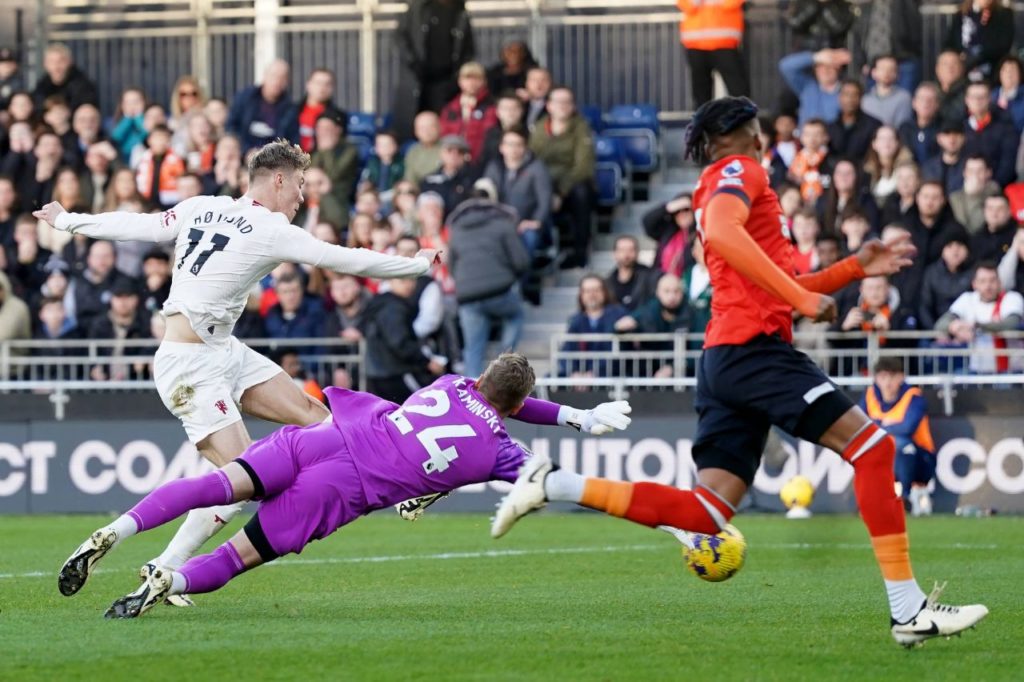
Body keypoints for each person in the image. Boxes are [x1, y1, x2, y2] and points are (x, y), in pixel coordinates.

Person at [493, 97, 987, 648]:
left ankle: (554, 482)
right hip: (754, 352)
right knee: (873, 449)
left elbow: (772, 277)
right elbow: (731, 241)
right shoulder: (738, 170)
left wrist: (851, 269)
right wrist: (799, 295)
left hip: (726, 358)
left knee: (706, 513)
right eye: (758, 127)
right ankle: (908, 610)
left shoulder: (738, 188)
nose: (764, 137)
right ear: (741, 132)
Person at [33, 139, 436, 602]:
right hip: (190, 366)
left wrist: (67, 220)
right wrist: (415, 266)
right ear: (278, 179)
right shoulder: (271, 228)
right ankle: (142, 555)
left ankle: (160, 569)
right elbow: (346, 258)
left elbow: (137, 225)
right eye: (300, 184)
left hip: (223, 349)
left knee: (316, 417)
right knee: (242, 478)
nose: (303, 197)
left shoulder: (201, 206)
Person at [57, 353, 633, 617]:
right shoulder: (502, 448)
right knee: (239, 555)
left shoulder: (454, 382)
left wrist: (573, 415)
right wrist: (578, 422)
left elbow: (505, 396)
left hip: (328, 436)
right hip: (346, 486)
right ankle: (171, 578)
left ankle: (117, 528)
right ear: (510, 408)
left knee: (215, 486)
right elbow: (538, 463)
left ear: (481, 378)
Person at [448, 181, 530, 377]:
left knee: (473, 350)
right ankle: (505, 361)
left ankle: (471, 395)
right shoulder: (503, 223)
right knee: (516, 314)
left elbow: (452, 266)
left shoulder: (457, 229)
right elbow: (521, 261)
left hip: (467, 296)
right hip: (500, 291)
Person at [529, 86, 596, 269]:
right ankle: (541, 251)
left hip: (571, 186)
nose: (563, 106)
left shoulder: (582, 127)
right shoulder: (539, 129)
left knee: (582, 192)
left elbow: (583, 167)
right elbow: (532, 160)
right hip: (545, 184)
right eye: (558, 101)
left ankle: (579, 252)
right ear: (549, 105)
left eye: (567, 102)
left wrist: (560, 192)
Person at [861, 358, 936, 517]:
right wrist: (887, 425)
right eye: (882, 377)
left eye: (892, 377)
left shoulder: (914, 397)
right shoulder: (870, 396)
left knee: (902, 444)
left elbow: (907, 428)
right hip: (884, 456)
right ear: (876, 378)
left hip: (920, 459)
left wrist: (878, 425)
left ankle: (905, 496)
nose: (887, 383)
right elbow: (861, 427)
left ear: (901, 377)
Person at [392, 0, 474, 142]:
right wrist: (413, 63)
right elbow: (401, 38)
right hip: (418, 81)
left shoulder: (460, 13)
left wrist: (456, 78)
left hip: (446, 83)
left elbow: (468, 50)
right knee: (414, 127)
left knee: (445, 129)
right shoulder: (417, 9)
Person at [936, 261, 1023, 374]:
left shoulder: (1012, 298)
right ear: (974, 284)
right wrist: (955, 327)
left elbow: (1011, 324)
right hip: (979, 372)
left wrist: (976, 327)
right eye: (983, 281)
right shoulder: (968, 299)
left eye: (992, 280)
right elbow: (941, 324)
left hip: (1013, 371)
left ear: (999, 282)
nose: (988, 286)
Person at [483, 126, 552, 261]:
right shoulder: (494, 168)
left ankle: (519, 282)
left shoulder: (537, 168)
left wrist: (536, 221)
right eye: (509, 144)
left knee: (526, 243)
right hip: (498, 224)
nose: (513, 149)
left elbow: (545, 200)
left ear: (525, 147)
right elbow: (486, 199)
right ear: (501, 147)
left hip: (527, 225)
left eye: (518, 145)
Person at [676, 0, 750, 107]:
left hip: (725, 43)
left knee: (738, 90)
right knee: (701, 94)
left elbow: (731, 4)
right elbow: (686, 5)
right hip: (696, 44)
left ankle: (743, 121)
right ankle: (704, 121)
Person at [558, 275, 628, 378]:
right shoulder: (575, 320)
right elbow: (566, 351)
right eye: (587, 291)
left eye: (596, 290)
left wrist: (595, 373)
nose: (592, 295)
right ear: (581, 295)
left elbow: (618, 352)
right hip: (579, 377)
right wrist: (573, 373)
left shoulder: (618, 315)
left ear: (604, 292)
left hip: (609, 376)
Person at [226, 60, 298, 151]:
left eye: (282, 78)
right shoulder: (245, 98)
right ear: (265, 76)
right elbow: (231, 127)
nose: (277, 81)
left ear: (287, 82)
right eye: (273, 75)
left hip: (273, 159)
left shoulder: (290, 109)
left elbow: (292, 141)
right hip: (242, 153)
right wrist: (245, 151)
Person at [438, 61, 497, 163]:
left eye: (477, 78)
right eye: (467, 78)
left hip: (478, 161)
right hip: (452, 161)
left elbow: (488, 137)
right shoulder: (450, 108)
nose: (471, 83)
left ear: (484, 82)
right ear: (460, 81)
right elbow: (444, 136)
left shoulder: (490, 106)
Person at [943, 0, 1014, 84]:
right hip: (963, 73)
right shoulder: (961, 14)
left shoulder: (1003, 14)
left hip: (991, 72)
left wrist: (976, 56)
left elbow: (1003, 44)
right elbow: (950, 43)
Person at [963, 81, 1017, 188]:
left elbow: (1008, 163)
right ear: (967, 100)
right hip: (965, 189)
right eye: (973, 97)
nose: (978, 101)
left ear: (989, 99)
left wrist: (994, 186)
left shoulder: (1005, 127)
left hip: (996, 188)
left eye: (982, 97)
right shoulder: (960, 128)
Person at [778, 48, 849, 126]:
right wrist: (816, 57)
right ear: (815, 70)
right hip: (806, 137)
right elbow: (785, 66)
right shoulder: (807, 86)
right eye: (820, 66)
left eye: (830, 66)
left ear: (838, 69)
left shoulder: (846, 91)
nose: (825, 70)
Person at [919, 233, 972, 331]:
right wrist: (935, 333)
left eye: (960, 245)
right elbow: (924, 307)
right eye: (950, 246)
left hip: (967, 332)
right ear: (942, 250)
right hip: (935, 333)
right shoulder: (931, 273)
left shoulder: (975, 273)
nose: (955, 250)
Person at [31, 43, 97, 112]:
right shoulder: (42, 86)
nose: (56, 66)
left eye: (61, 61)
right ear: (45, 64)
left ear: (70, 62)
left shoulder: (83, 86)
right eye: (52, 62)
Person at [826, 80, 881, 162]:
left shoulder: (873, 125)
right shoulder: (831, 127)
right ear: (839, 97)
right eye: (846, 94)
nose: (850, 99)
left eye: (855, 95)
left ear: (861, 98)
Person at [643, 192, 693, 278]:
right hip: (662, 283)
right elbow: (647, 221)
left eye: (686, 209)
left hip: (686, 284)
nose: (682, 214)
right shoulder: (668, 231)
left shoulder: (700, 234)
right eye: (677, 211)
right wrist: (668, 207)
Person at [605, 235, 659, 311]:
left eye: (631, 250)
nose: (626, 254)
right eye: (622, 250)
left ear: (637, 253)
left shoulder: (652, 276)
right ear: (614, 253)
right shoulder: (608, 282)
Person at [949, 156, 1000, 235]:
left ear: (988, 173)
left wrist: (974, 196)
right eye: (971, 171)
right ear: (964, 173)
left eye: (980, 171)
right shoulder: (954, 198)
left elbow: (977, 227)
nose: (975, 175)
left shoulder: (995, 193)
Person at [861, 55, 913, 129]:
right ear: (873, 73)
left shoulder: (904, 98)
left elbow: (902, 128)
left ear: (897, 74)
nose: (886, 72)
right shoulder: (865, 99)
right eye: (882, 69)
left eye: (891, 69)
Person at [295, 68, 338, 153]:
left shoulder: (337, 117)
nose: (322, 88)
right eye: (318, 83)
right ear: (308, 85)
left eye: (327, 84)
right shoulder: (292, 112)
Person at [898, 82, 941, 165]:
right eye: (922, 99)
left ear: (937, 105)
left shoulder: (943, 128)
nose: (926, 104)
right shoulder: (905, 128)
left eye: (931, 100)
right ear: (914, 103)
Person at [971, 193, 1016, 263]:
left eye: (1000, 209)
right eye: (990, 208)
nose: (994, 213)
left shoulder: (1018, 236)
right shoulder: (976, 238)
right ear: (984, 211)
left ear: (1009, 211)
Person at [402, 111, 443, 187]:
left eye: (431, 126)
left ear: (439, 127)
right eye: (422, 128)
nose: (427, 131)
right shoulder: (413, 152)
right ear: (416, 131)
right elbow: (410, 179)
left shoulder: (448, 149)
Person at [993, 56, 1024, 134]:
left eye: (1013, 71)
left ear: (1020, 75)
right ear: (1000, 74)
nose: (1009, 74)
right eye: (1005, 70)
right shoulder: (991, 95)